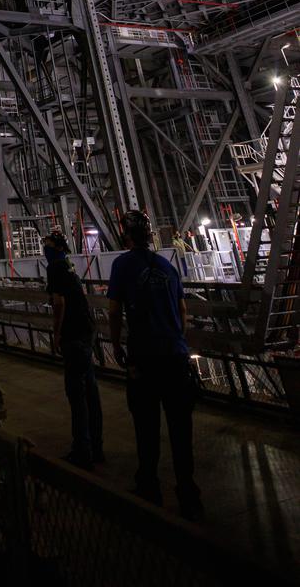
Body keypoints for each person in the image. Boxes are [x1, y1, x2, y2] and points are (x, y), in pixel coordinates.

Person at [108, 209, 203, 519]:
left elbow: (113, 311)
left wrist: (117, 345)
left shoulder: (122, 265)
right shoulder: (167, 267)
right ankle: (188, 491)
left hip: (145, 357)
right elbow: (184, 310)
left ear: (126, 235)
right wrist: (177, 339)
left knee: (146, 426)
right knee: (181, 429)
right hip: (175, 356)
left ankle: (149, 485)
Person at [43, 230, 104, 469]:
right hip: (86, 330)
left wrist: (57, 333)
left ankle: (82, 451)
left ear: (55, 247)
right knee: (90, 392)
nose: (44, 249)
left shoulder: (55, 267)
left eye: (47, 244)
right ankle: (96, 447)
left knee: (76, 394)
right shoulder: (68, 265)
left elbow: (59, 303)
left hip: (73, 334)